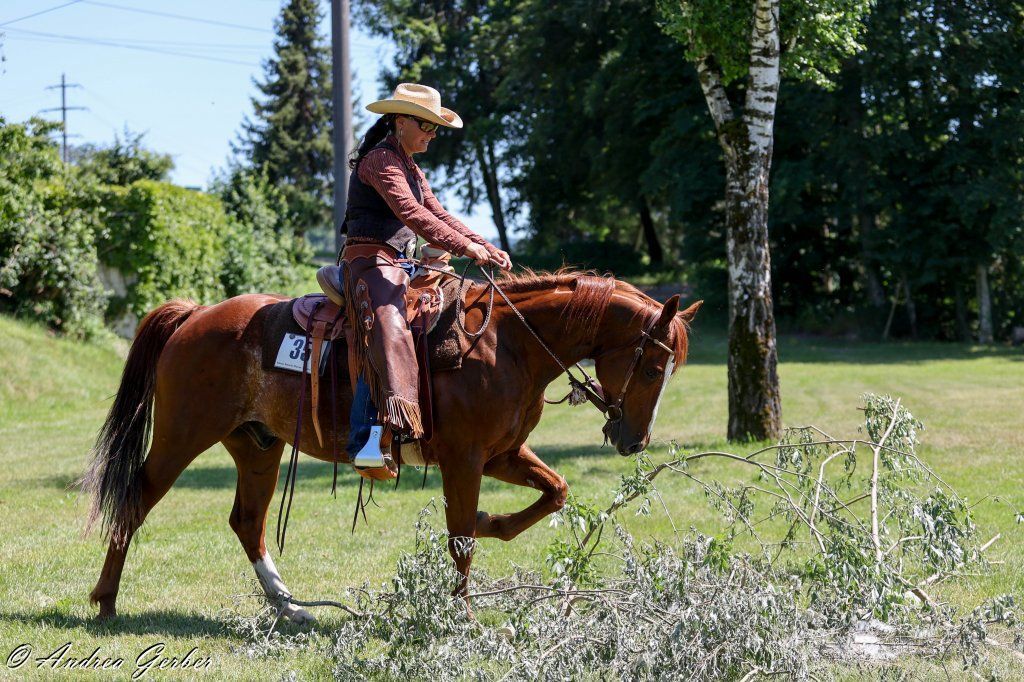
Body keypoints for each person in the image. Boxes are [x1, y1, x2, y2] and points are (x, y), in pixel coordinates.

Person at [341, 83, 511, 479]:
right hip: (369, 263)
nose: (432, 135)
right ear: (400, 122)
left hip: (402, 263)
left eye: (436, 128)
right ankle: (367, 437)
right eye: (426, 126)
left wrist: (483, 243)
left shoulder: (410, 167)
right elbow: (414, 217)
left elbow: (440, 215)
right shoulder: (380, 161)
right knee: (388, 320)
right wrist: (467, 249)